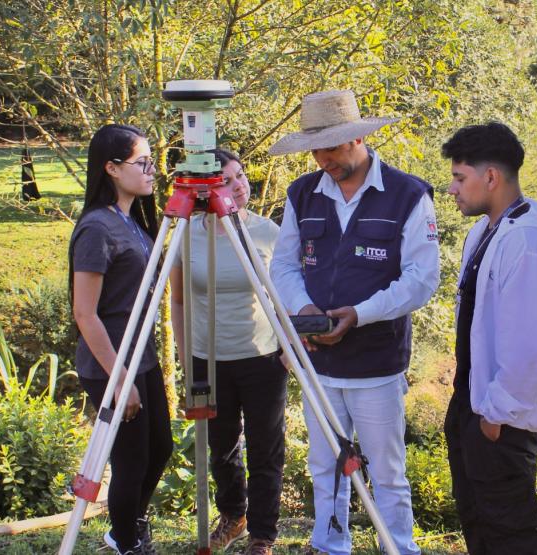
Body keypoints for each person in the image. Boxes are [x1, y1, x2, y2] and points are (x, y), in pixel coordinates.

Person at [268, 90, 440, 555]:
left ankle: (397, 547)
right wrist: (305, 312)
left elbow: (423, 280)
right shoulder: (301, 193)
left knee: (386, 470)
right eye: (316, 149)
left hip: (377, 364)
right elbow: (282, 266)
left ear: (359, 138)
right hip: (318, 364)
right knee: (324, 463)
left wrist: (360, 315)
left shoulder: (408, 194)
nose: (323, 159)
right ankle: (329, 545)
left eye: (333, 147)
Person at [440, 122, 537, 554]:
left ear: (491, 177)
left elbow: (532, 343)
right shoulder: (487, 231)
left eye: (460, 178)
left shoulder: (528, 241)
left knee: (510, 530)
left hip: (501, 417)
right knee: (478, 521)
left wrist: (497, 415)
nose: (453, 189)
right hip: (474, 403)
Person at [169, 149, 286, 555]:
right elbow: (179, 300)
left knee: (265, 449)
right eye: (226, 180)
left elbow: (287, 297)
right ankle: (233, 515)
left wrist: (291, 345)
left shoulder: (269, 233)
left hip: (262, 358)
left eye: (240, 176)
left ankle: (262, 535)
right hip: (208, 359)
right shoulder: (186, 233)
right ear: (205, 189)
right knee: (222, 449)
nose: (237, 186)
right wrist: (186, 357)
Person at [69, 124, 173, 555]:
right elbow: (84, 312)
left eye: (151, 161)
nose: (152, 170)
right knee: (130, 463)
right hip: (110, 361)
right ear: (111, 168)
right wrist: (119, 378)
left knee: (160, 448)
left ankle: (125, 529)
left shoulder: (129, 219)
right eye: (142, 163)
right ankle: (127, 544)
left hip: (141, 356)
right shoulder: (96, 228)